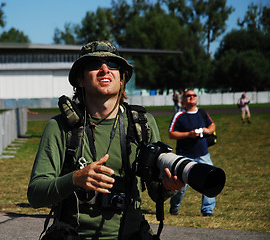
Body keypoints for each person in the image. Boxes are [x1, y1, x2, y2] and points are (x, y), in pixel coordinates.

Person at [27, 41, 184, 239]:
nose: (104, 69)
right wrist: (75, 179)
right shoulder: (59, 127)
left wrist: (168, 187)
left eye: (112, 64)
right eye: (94, 64)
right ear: (80, 80)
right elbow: (35, 194)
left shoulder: (142, 125)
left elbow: (155, 191)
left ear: (122, 79)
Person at [168, 89, 216, 217]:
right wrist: (189, 134)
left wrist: (207, 130)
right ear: (183, 100)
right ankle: (174, 207)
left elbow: (212, 126)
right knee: (181, 185)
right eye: (188, 96)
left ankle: (207, 210)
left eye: (194, 95)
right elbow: (171, 134)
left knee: (209, 181)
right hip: (185, 155)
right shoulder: (179, 115)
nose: (191, 97)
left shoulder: (202, 113)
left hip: (203, 155)